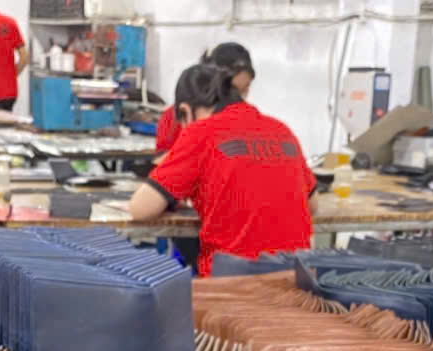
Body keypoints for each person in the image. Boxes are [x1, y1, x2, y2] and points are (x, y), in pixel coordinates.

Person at [130, 63, 315, 276]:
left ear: (185, 111)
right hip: (298, 280)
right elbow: (313, 204)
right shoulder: (281, 130)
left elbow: (140, 209)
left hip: (234, 283)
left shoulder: (200, 133)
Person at [156, 42, 254, 155]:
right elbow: (162, 159)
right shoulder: (175, 118)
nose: (239, 98)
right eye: (233, 89)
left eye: (245, 89)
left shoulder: (247, 120)